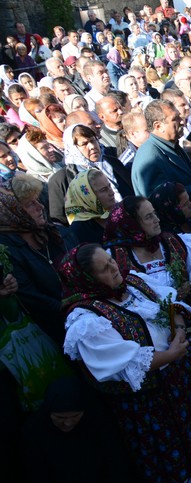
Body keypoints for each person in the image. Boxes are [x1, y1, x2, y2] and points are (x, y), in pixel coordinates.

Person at [59, 243, 191, 483]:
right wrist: (171, 354)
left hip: (175, 378)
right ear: (87, 279)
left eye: (111, 260)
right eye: (105, 269)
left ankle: (189, 472)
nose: (114, 268)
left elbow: (172, 304)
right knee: (157, 441)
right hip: (143, 397)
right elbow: (124, 363)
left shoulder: (134, 282)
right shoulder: (86, 318)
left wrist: (178, 331)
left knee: (185, 424)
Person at [22, 377, 167, 483]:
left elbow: (117, 463)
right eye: (59, 417)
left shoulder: (98, 420)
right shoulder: (33, 431)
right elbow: (38, 478)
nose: (67, 423)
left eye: (75, 416)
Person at [0, 177, 73, 345]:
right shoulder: (7, 251)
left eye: (37, 200)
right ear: (12, 212)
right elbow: (35, 301)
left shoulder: (53, 233)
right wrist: (77, 309)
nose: (40, 207)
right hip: (57, 333)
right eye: (29, 204)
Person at [48, 124, 132, 225]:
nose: (92, 147)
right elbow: (59, 218)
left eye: (93, 140)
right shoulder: (61, 179)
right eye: (84, 144)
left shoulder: (112, 163)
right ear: (72, 148)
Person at [131, 100, 191, 197]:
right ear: (158, 126)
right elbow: (162, 202)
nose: (182, 121)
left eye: (179, 116)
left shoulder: (171, 144)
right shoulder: (149, 160)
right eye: (175, 119)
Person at [65, 169, 117, 244]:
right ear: (87, 197)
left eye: (109, 186)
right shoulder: (78, 231)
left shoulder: (117, 213)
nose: (112, 193)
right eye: (103, 190)